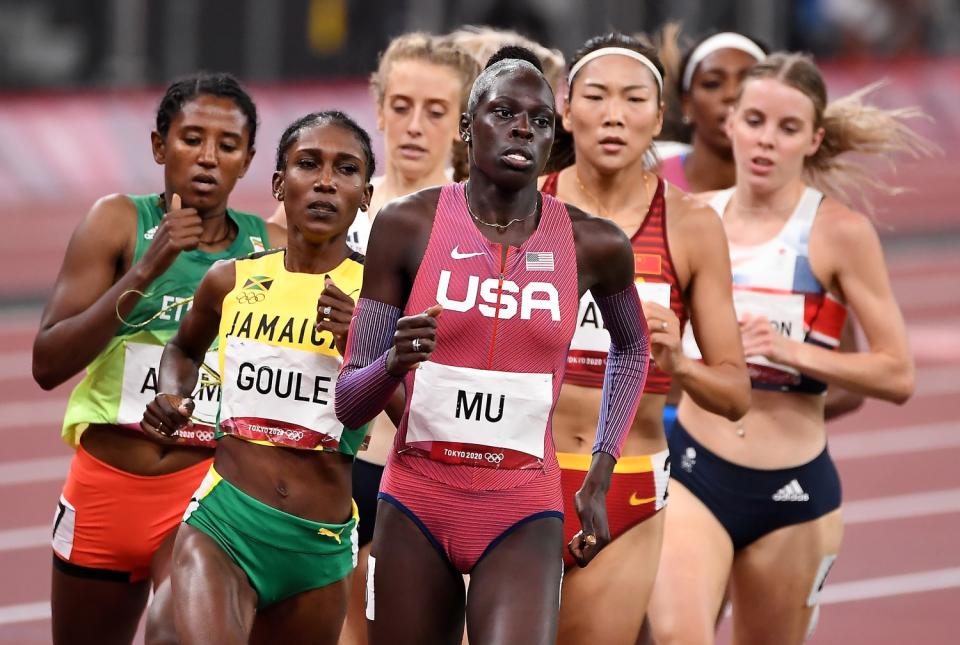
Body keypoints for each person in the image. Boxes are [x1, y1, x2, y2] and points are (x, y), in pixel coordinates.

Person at [334, 47, 649, 645]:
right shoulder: (405, 227)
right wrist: (392, 363)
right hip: (416, 502)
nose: (522, 128)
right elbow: (349, 401)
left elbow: (632, 350)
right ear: (466, 126)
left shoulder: (594, 244)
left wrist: (601, 470)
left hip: (523, 508)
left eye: (540, 119)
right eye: (503, 111)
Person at [646, 52, 930, 645]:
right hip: (695, 468)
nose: (766, 141)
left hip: (794, 490)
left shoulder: (838, 234)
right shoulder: (694, 221)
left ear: (813, 139)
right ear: (729, 125)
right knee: (675, 635)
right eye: (753, 121)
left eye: (787, 127)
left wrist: (792, 352)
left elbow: (896, 373)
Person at [32, 72, 279, 645]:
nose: (208, 158)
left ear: (247, 162)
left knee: (181, 632)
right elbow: (48, 364)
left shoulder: (269, 248)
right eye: (191, 139)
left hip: (203, 490)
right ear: (158, 146)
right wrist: (148, 268)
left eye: (228, 146)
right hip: (105, 486)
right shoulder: (117, 222)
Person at [538, 33, 750, 645]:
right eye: (597, 97)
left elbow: (735, 394)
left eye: (634, 99)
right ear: (566, 108)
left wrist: (678, 363)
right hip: (516, 474)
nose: (613, 115)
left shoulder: (691, 226)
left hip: (626, 484)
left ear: (659, 118)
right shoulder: (522, 210)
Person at [141, 111, 375, 644]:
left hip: (319, 543)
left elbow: (411, 414)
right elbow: (182, 348)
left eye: (346, 170)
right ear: (278, 183)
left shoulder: (381, 296)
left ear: (364, 195)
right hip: (227, 522)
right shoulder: (229, 280)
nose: (324, 181)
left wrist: (358, 347)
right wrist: (171, 393)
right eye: (307, 164)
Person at [658, 30, 863, 426]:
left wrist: (766, 431)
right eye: (713, 83)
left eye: (746, 83)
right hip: (650, 434)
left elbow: (849, 382)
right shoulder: (649, 184)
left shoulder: (805, 221)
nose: (729, 95)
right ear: (685, 103)